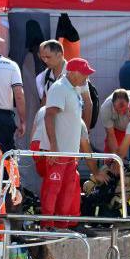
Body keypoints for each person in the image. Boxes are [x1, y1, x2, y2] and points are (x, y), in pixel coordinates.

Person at [42, 58, 95, 228]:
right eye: (84, 73)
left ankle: (61, 225)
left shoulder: (73, 89)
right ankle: (48, 224)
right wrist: (54, 146)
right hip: (60, 152)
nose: (87, 77)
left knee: (67, 191)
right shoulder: (60, 88)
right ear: (72, 72)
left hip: (70, 154)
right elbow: (49, 115)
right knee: (53, 189)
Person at [36, 39, 93, 127]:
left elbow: (88, 103)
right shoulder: (46, 74)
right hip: (54, 129)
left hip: (73, 129)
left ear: (59, 55)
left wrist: (85, 131)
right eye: (43, 58)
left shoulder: (75, 72)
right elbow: (44, 103)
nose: (45, 61)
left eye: (48, 57)